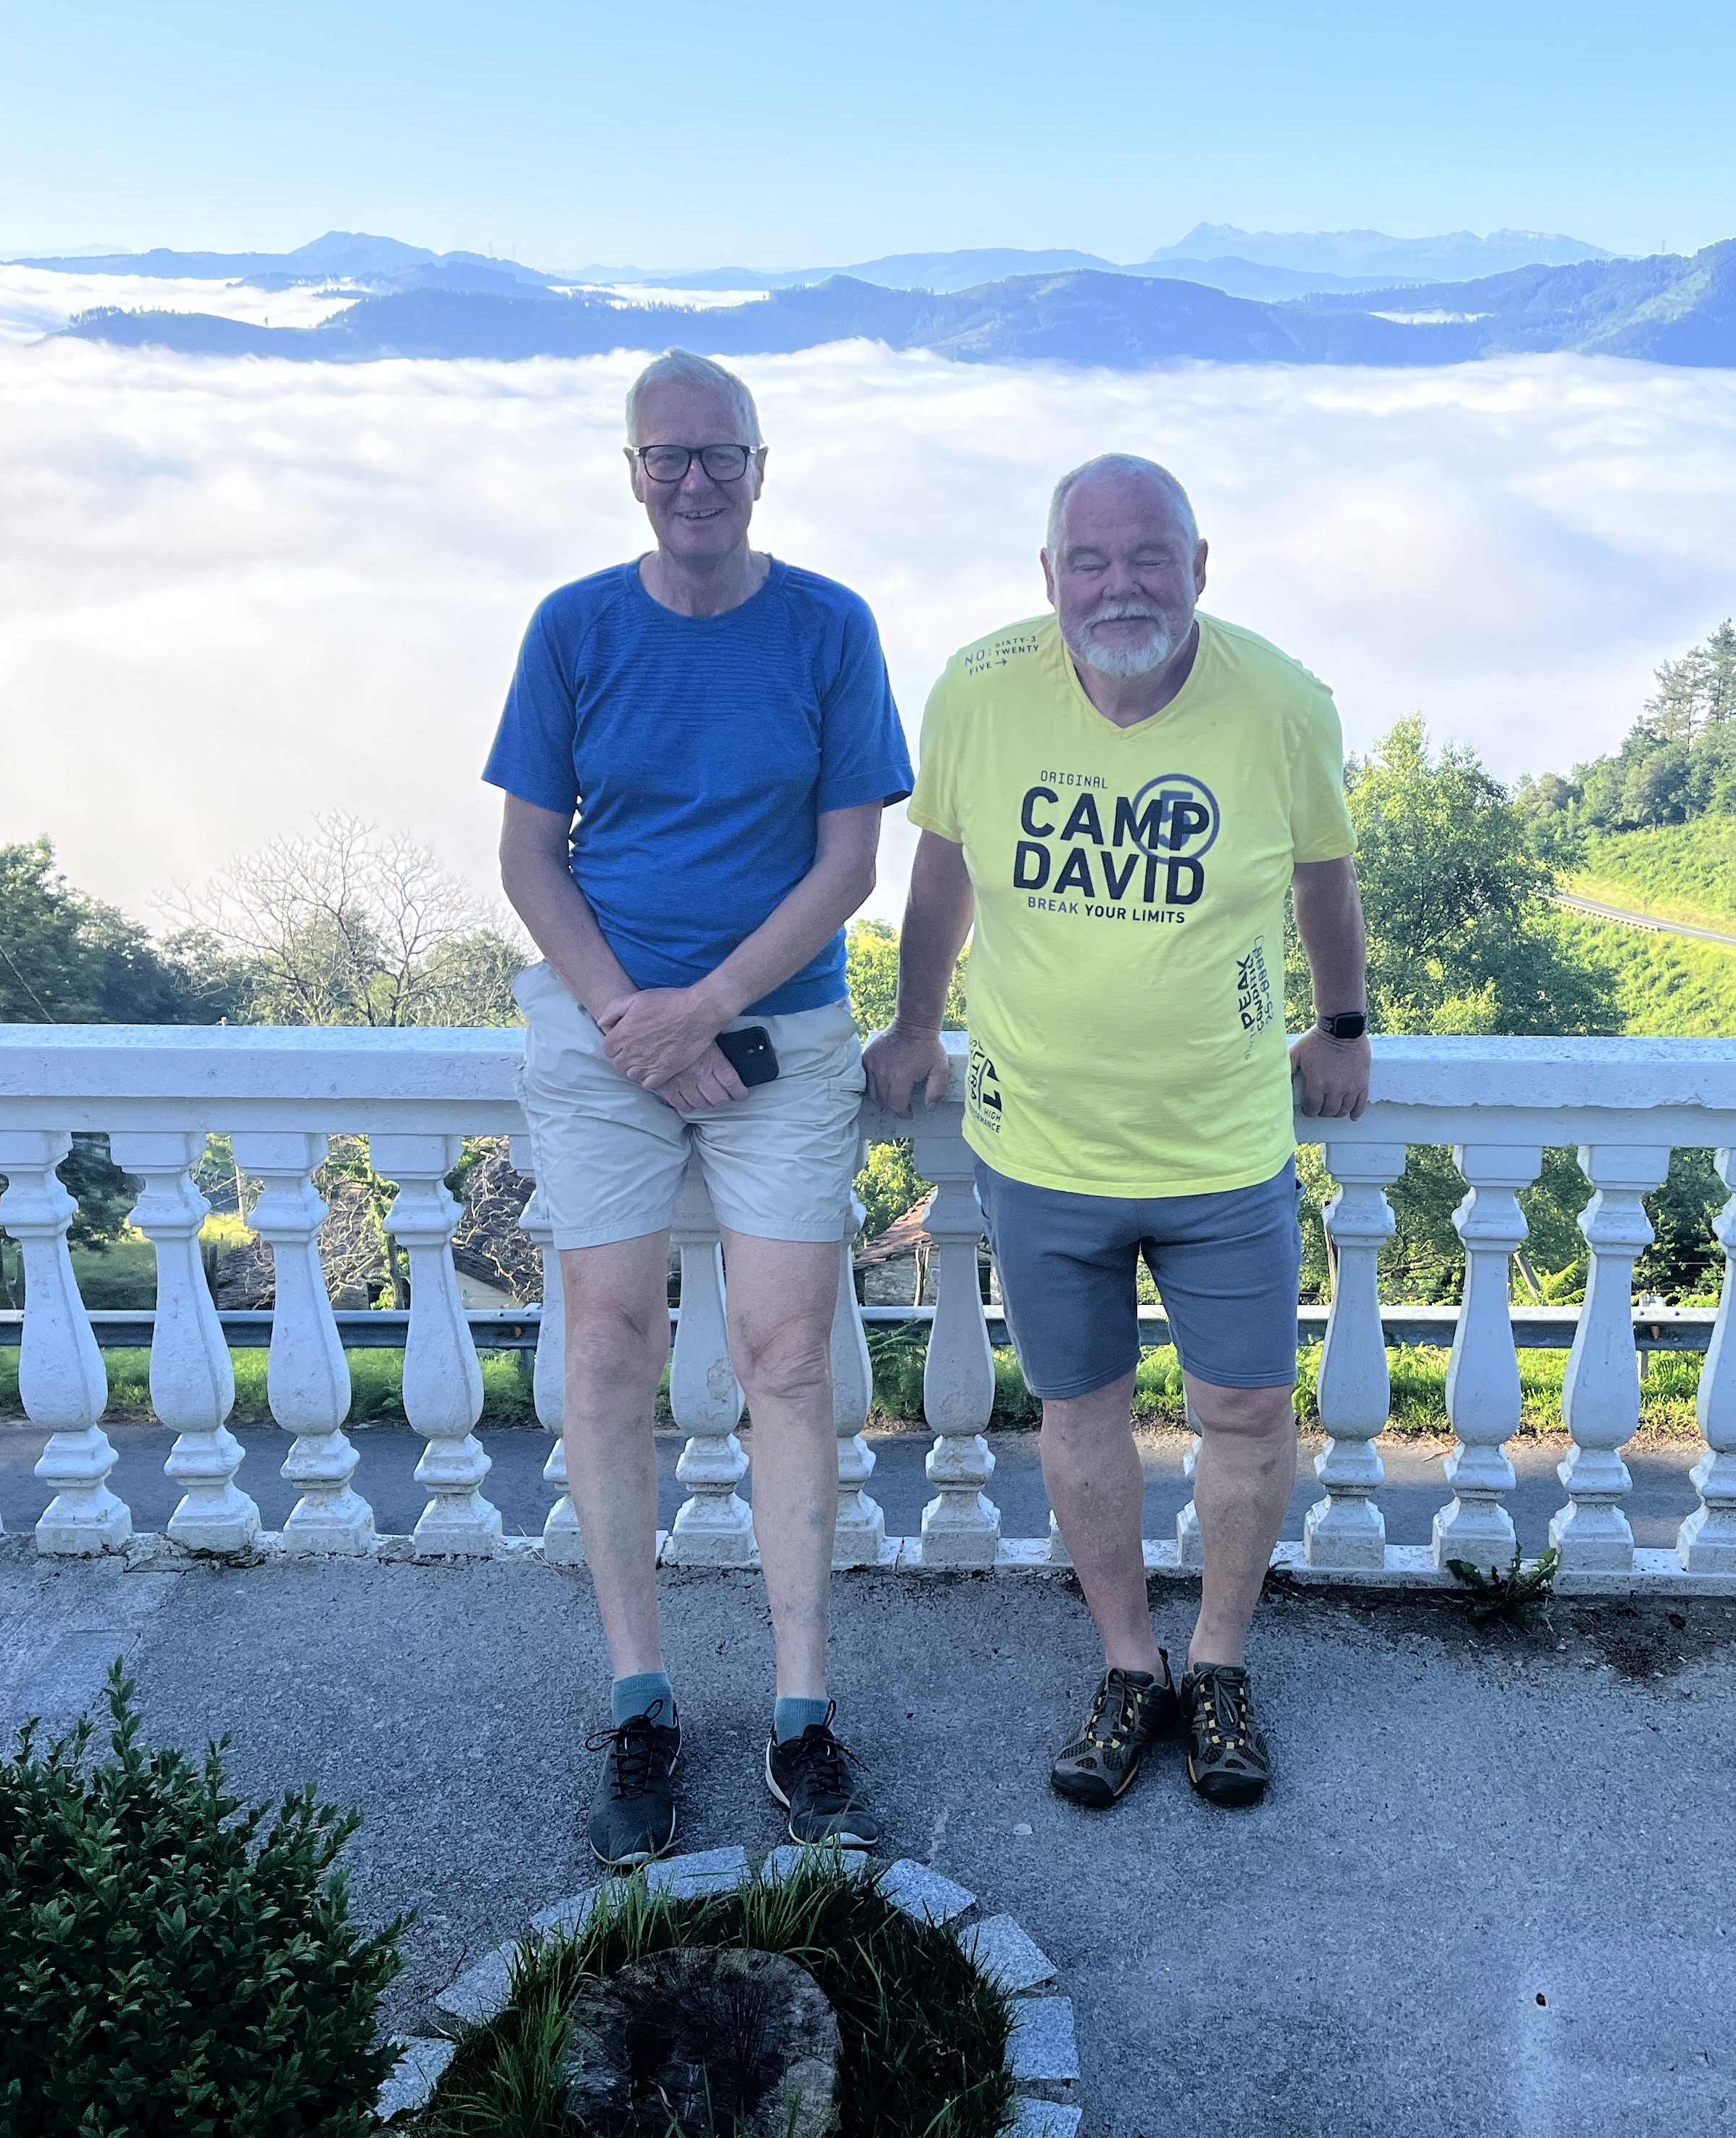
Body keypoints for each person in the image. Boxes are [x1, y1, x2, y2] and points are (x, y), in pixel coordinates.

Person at [862, 452, 1371, 1811]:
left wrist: (1343, 1024)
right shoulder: (979, 690)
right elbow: (940, 872)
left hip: (1223, 1146)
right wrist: (914, 1023)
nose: (1119, 586)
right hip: (1039, 1147)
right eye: (1089, 561)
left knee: (1246, 1412)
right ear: (1050, 576)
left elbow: (1324, 874)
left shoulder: (1282, 703)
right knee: (1080, 1412)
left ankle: (1220, 1664)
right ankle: (1129, 1665)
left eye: (1150, 557)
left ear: (1199, 566)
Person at [487, 348, 912, 1862]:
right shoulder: (574, 627)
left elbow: (850, 865)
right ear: (631, 472)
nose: (693, 480)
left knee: (787, 1355)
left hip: (777, 1029)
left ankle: (803, 1709)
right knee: (610, 1344)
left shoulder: (829, 627)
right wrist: (637, 1022)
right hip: (606, 1028)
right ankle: (641, 1702)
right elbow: (530, 857)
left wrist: (703, 1010)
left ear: (761, 465)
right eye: (665, 456)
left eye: (719, 453)